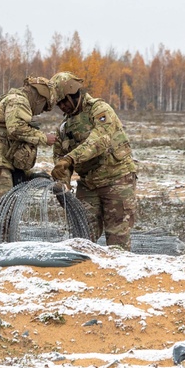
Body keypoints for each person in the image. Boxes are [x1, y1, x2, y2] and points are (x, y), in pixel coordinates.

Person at [50, 71, 138, 250]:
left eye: (64, 101)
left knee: (118, 243)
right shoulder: (64, 127)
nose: (62, 106)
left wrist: (70, 158)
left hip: (117, 181)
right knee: (81, 238)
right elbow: (60, 157)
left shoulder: (99, 110)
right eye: (58, 104)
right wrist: (63, 180)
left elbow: (100, 140)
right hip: (88, 185)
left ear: (73, 94)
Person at [0, 77, 56, 224]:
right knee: (2, 224)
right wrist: (44, 138)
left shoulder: (11, 100)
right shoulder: (18, 101)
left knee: (1, 224)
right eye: (44, 106)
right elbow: (16, 129)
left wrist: (28, 174)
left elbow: (7, 146)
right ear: (40, 98)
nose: (40, 112)